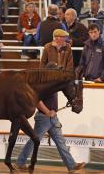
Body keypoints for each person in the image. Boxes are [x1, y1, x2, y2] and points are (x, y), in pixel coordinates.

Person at [16, 29, 85, 173]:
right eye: (62, 38)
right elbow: (36, 100)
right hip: (45, 117)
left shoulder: (54, 85)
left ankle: (71, 166)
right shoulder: (43, 87)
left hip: (51, 116)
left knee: (60, 142)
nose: (65, 40)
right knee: (35, 140)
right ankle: (20, 162)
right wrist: (48, 112)